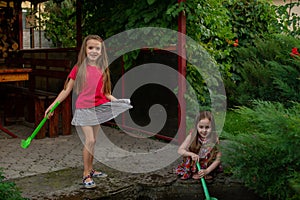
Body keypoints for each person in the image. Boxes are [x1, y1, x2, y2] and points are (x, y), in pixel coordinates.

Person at [44, 35, 132, 189]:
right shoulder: (79, 68)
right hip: (84, 109)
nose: (94, 51)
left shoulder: (102, 70)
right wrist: (53, 105)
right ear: (85, 50)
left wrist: (117, 102)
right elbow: (67, 90)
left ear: (101, 51)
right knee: (89, 141)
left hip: (98, 108)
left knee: (94, 142)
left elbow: (106, 93)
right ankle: (85, 174)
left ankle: (91, 169)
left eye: (97, 48)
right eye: (90, 48)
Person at [176, 111, 222, 180]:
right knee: (189, 156)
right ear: (196, 126)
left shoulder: (214, 138)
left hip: (207, 164)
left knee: (211, 156)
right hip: (194, 162)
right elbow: (180, 150)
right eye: (201, 127)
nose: (204, 130)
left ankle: (205, 173)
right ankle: (194, 172)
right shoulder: (192, 136)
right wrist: (191, 154)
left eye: (207, 127)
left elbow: (218, 159)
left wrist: (207, 171)